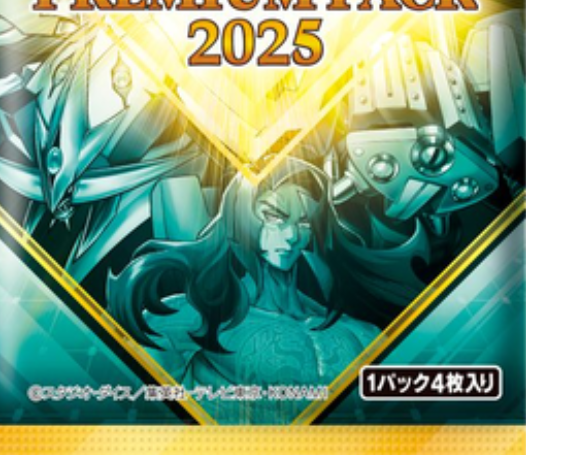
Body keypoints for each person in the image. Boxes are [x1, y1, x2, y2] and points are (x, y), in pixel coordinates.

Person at [108, 158, 426, 423]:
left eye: (304, 221)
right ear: (241, 214)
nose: (291, 234)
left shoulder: (361, 334)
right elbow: (136, 415)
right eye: (274, 216)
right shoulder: (195, 317)